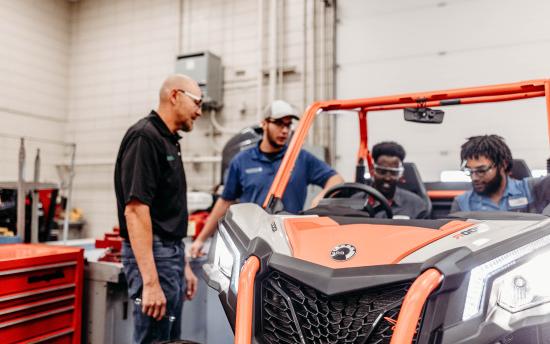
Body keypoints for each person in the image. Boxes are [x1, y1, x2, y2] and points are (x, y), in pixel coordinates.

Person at [190, 100, 344, 257]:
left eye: (288, 125)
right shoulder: (242, 161)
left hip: (290, 245)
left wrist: (322, 195)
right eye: (278, 124)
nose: (285, 130)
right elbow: (224, 202)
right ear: (264, 123)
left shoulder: (301, 158)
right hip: (252, 244)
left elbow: (336, 179)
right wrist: (201, 239)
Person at [114, 74, 200, 344]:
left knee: (169, 339)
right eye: (197, 102)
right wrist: (151, 283)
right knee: (154, 339)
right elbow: (136, 211)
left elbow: (169, 214)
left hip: (169, 256)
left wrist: (182, 264)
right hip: (154, 257)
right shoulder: (145, 138)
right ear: (175, 95)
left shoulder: (169, 140)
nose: (200, 110)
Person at [450, 135, 535, 212]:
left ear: (503, 165)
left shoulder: (531, 189)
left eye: (481, 170)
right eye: (470, 171)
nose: (474, 178)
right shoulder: (462, 203)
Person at [368, 141, 429, 219]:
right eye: (382, 172)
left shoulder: (416, 205)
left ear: (401, 174)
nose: (387, 178)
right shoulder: (355, 202)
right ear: (372, 170)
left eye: (394, 173)